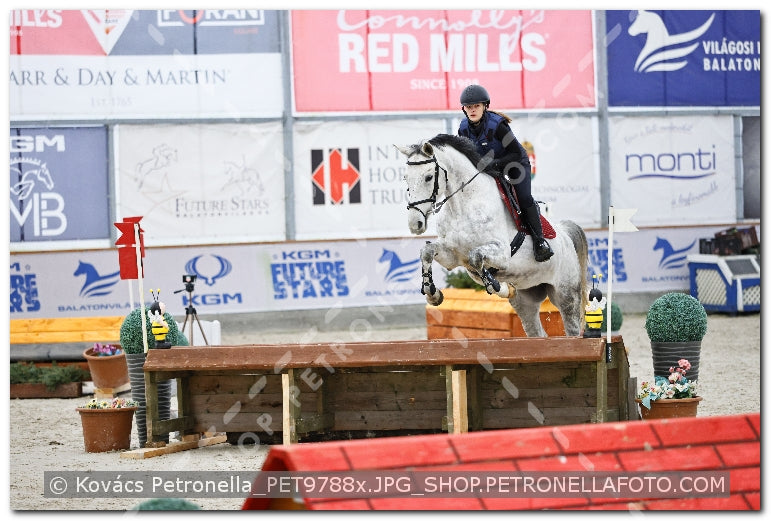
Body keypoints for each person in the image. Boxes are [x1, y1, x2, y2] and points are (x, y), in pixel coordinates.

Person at [457, 84, 553, 262]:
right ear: (464, 109)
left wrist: (495, 164)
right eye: (468, 107)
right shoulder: (463, 129)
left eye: (476, 106)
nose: (472, 110)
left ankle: (540, 242)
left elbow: (516, 152)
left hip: (515, 164)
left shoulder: (498, 126)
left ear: (485, 106)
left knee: (523, 198)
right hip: (489, 168)